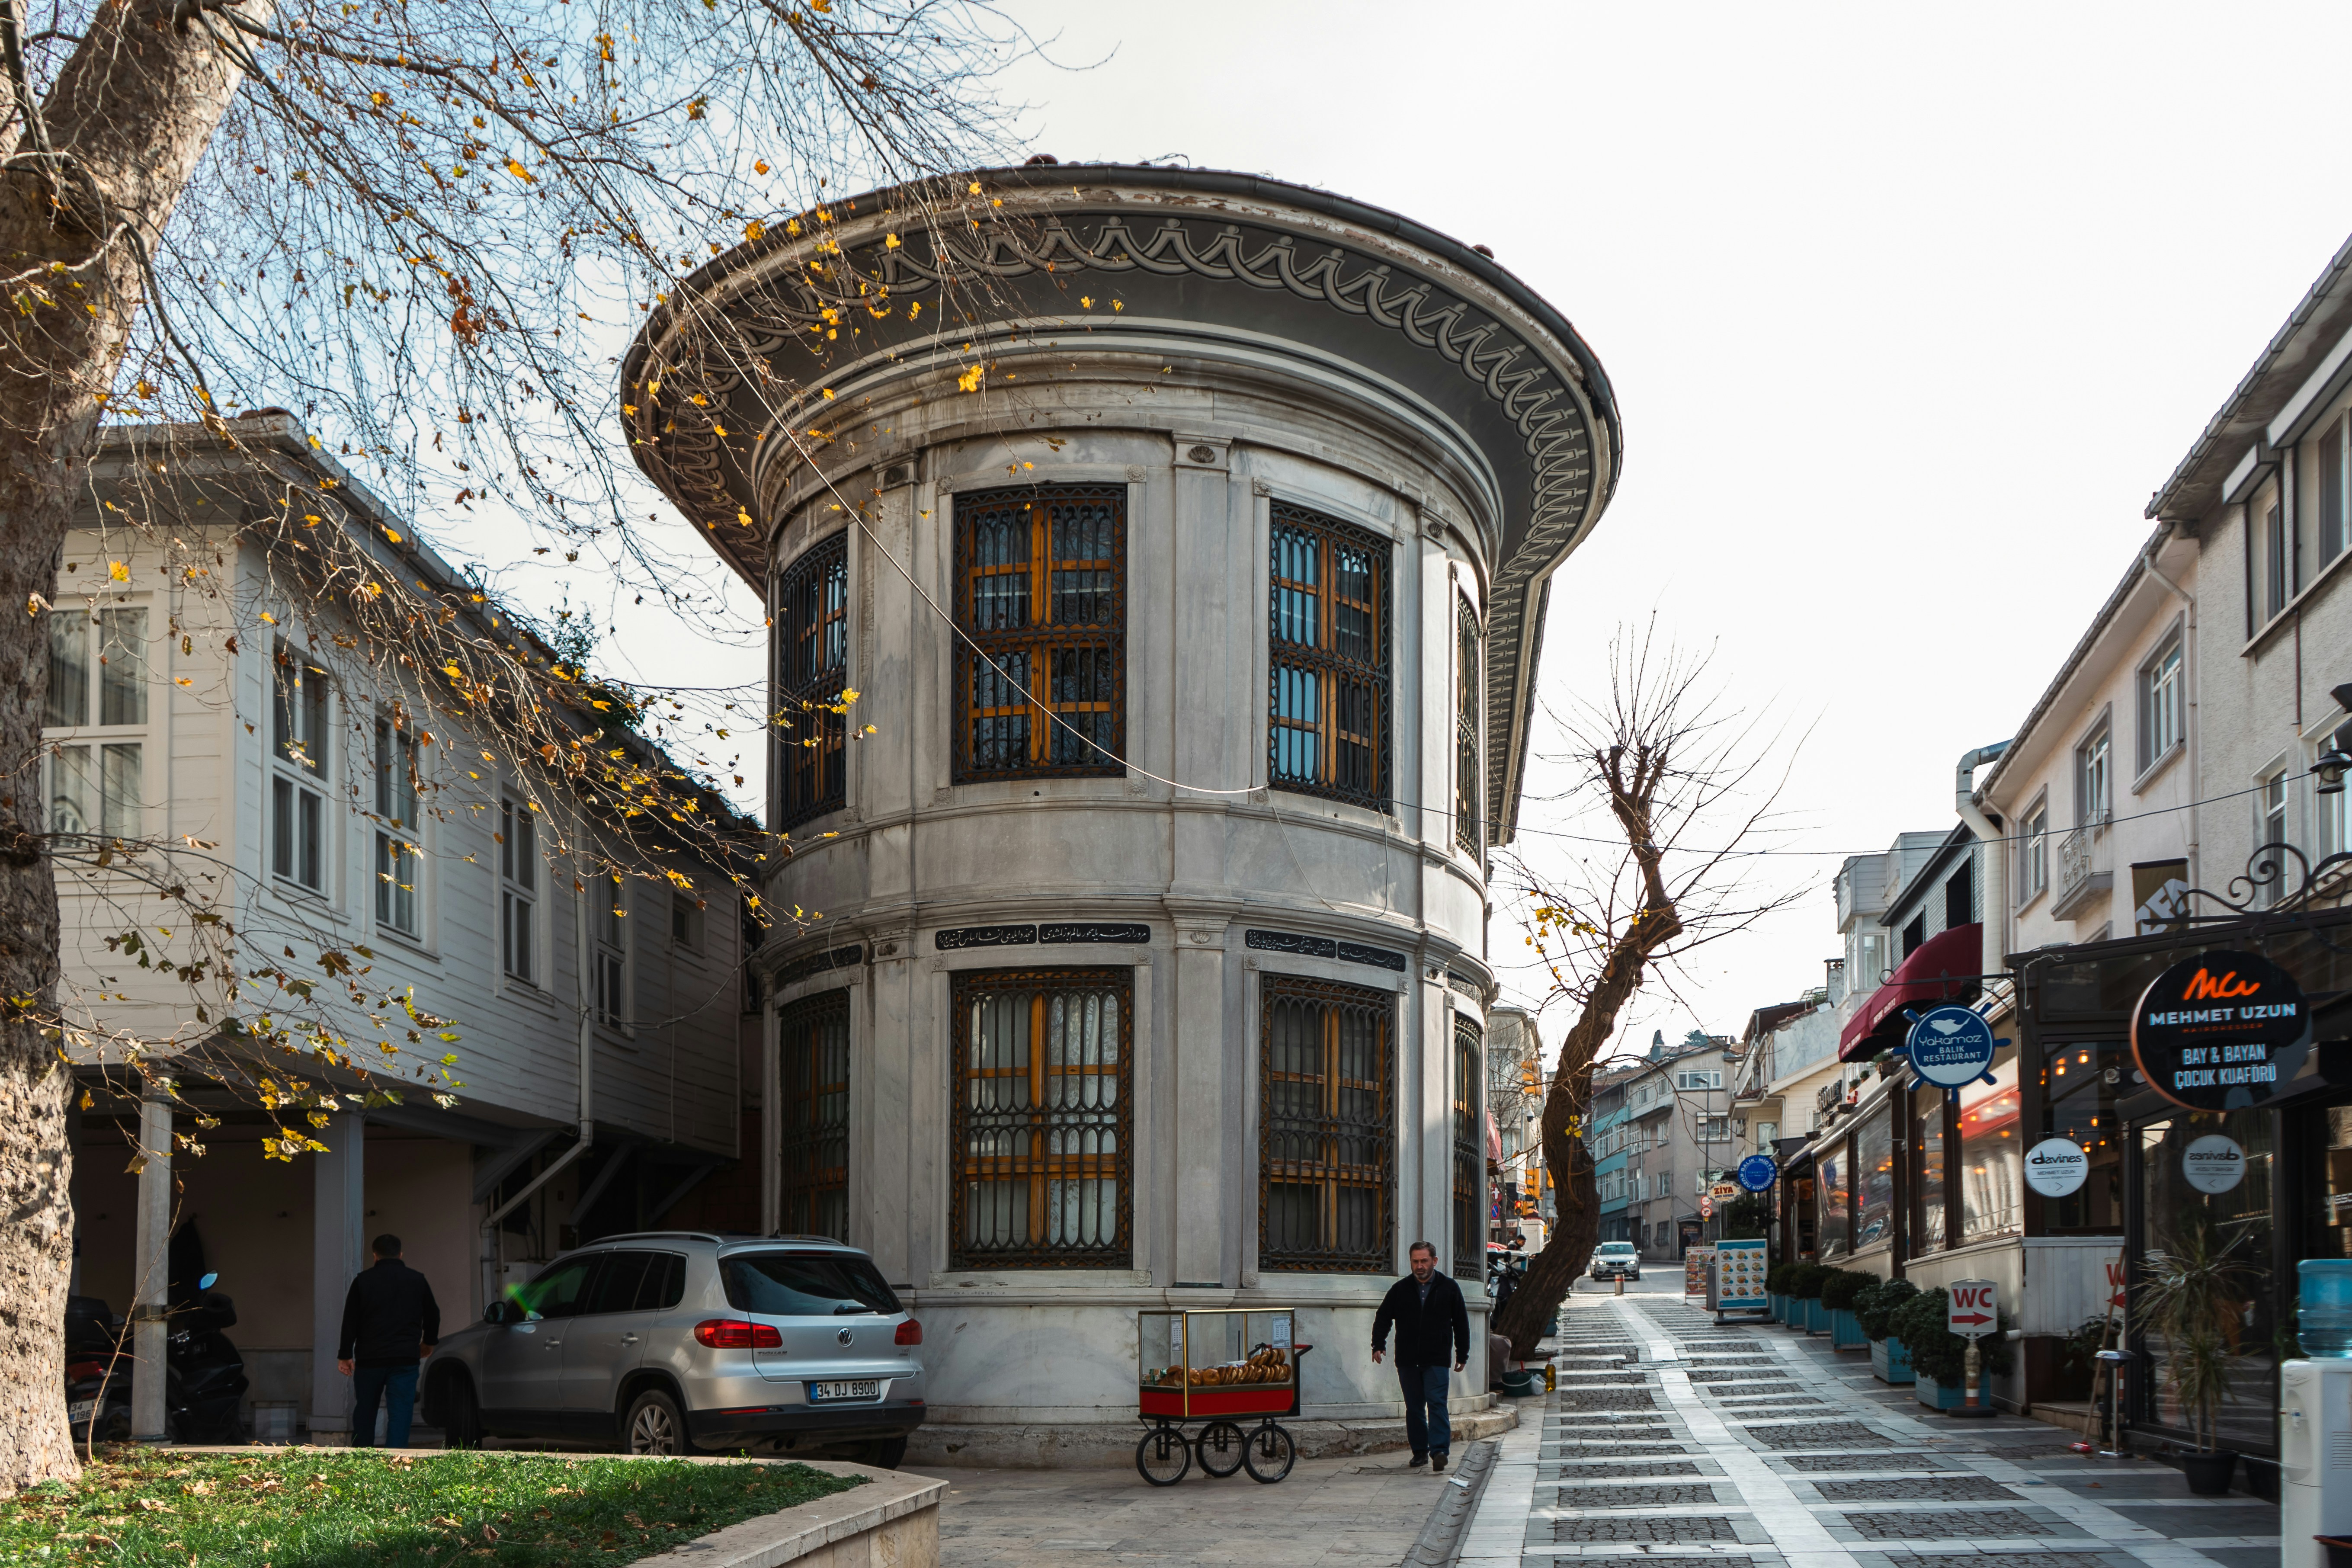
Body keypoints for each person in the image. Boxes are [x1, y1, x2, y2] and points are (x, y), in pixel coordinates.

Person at [1371, 1240, 1470, 1473]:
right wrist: (1378, 1344)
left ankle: (1439, 1452)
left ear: (1434, 1261)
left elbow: (1462, 1323)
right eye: (1415, 1261)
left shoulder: (1449, 1288)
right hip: (1408, 1360)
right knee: (1414, 1408)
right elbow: (1383, 1317)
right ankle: (1419, 1452)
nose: (1420, 1266)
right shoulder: (1400, 1289)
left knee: (1437, 1404)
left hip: (1436, 1359)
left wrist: (1462, 1353)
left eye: (1424, 1261)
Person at [336, 1233, 439, 1447]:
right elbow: (433, 1314)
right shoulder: (417, 1280)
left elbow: (350, 1321)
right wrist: (428, 1342)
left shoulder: (362, 1281)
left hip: (370, 1358)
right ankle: (397, 1460)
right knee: (401, 1412)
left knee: (365, 1411)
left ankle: (361, 1458)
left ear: (375, 1256)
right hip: (405, 1358)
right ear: (400, 1254)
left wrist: (345, 1355)